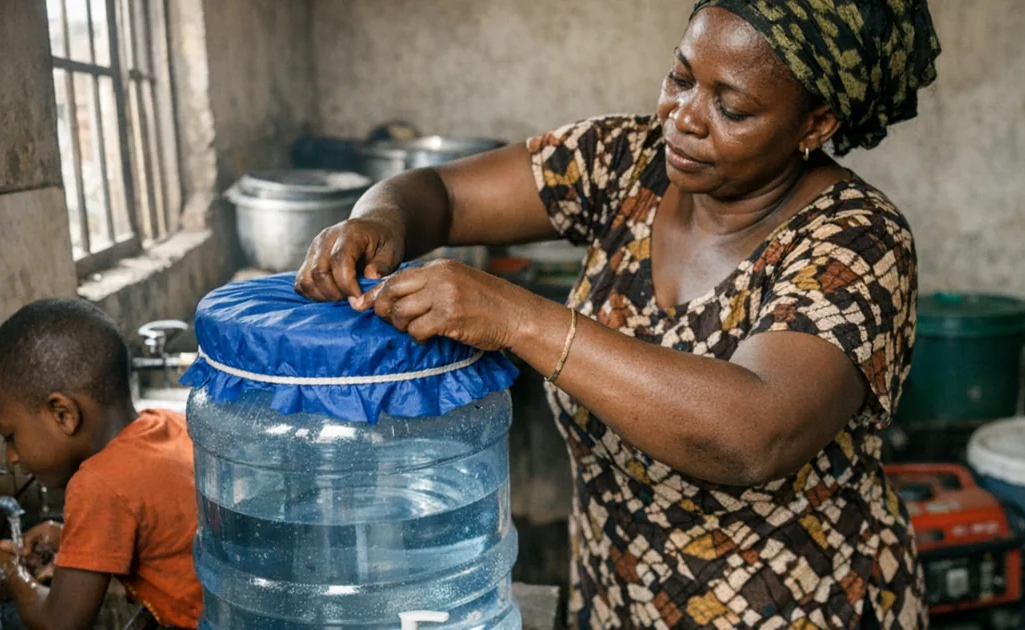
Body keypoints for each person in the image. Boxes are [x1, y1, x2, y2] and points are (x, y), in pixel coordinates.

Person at [295, 0, 941, 627]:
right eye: (681, 76)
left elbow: (753, 436)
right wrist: (377, 220)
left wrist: (519, 319)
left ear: (816, 125)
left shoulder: (856, 241)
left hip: (799, 606)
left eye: (732, 107)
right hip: (619, 595)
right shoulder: (629, 162)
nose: (683, 117)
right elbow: (436, 193)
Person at [0, 299, 202, 630]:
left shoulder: (96, 483)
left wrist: (11, 577)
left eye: (10, 435)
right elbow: (156, 525)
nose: (11, 455)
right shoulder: (165, 424)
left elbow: (62, 624)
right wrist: (67, 537)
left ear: (63, 414)